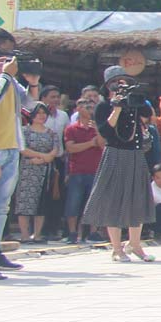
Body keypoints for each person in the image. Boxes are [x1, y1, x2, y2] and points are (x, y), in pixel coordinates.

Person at [85, 66, 157, 263]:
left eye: (124, 80)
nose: (121, 84)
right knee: (113, 200)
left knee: (138, 198)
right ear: (109, 86)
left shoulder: (133, 103)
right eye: (117, 82)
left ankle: (135, 244)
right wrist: (116, 107)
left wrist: (132, 97)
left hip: (135, 154)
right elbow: (106, 133)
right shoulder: (103, 107)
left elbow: (147, 111)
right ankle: (117, 248)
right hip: (115, 154)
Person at [13, 103, 60, 243]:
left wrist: (44, 159)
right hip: (27, 170)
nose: (41, 115)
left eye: (44, 113)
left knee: (41, 202)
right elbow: (23, 149)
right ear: (32, 115)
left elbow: (54, 151)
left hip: (45, 170)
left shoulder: (52, 133)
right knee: (25, 202)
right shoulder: (24, 131)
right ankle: (24, 234)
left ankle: (37, 234)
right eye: (38, 113)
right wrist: (41, 156)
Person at [0, 55, 25, 272]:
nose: (2, 62)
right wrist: (6, 75)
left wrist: (31, 81)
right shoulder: (3, 82)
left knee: (2, 206)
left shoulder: (9, 83)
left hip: (11, 148)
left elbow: (29, 101)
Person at [63, 101, 103, 244]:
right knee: (73, 203)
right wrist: (90, 144)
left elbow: (103, 145)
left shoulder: (97, 128)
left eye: (91, 106)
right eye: (86, 107)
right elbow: (71, 148)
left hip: (96, 170)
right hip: (77, 171)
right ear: (78, 109)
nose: (90, 109)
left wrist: (98, 131)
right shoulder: (71, 129)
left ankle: (93, 232)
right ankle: (73, 233)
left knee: (94, 203)